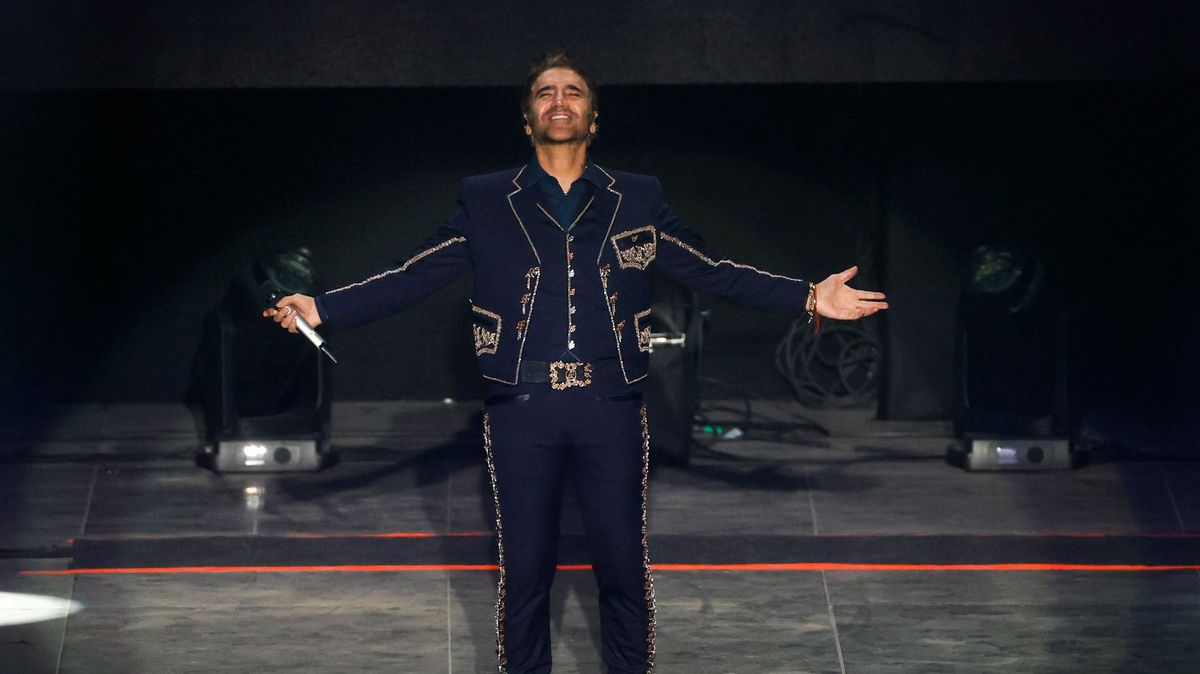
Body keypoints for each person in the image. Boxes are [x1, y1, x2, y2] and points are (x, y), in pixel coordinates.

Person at [265, 51, 887, 674]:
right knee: (526, 572)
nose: (559, 100)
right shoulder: (486, 201)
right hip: (521, 409)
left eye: (573, 92)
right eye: (545, 92)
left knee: (621, 566)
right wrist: (323, 308)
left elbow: (711, 270)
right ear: (527, 116)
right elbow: (413, 274)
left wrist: (808, 295)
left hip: (610, 406)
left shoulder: (637, 198)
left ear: (593, 117)